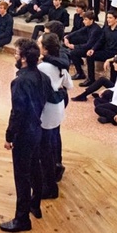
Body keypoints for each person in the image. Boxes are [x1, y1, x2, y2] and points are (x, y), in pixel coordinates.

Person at [0, 38, 51, 233]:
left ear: (23, 59)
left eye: (15, 53)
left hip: (24, 133)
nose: (14, 56)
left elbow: (17, 112)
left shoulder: (20, 81)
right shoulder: (42, 76)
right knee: (35, 169)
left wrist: (9, 136)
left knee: (21, 176)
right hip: (37, 128)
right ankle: (34, 205)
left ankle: (22, 219)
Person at [38, 33, 72, 199]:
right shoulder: (60, 64)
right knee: (54, 140)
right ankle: (57, 167)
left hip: (48, 111)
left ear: (44, 48)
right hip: (59, 107)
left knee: (45, 147)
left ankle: (48, 183)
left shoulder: (43, 67)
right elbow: (70, 85)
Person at [81, 10, 117, 87]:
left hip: (116, 54)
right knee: (90, 56)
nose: (108, 20)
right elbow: (100, 41)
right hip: (106, 52)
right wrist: (93, 49)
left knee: (115, 64)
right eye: (107, 18)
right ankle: (90, 79)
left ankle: (112, 85)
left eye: (110, 18)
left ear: (116, 19)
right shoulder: (106, 29)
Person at [65, 11, 102, 81]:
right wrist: (67, 36)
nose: (83, 21)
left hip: (96, 49)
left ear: (91, 20)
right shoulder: (88, 26)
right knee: (73, 52)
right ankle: (80, 73)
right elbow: (78, 31)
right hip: (90, 47)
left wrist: (74, 46)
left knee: (74, 52)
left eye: (85, 20)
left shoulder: (96, 30)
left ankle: (89, 78)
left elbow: (89, 45)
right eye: (83, 19)